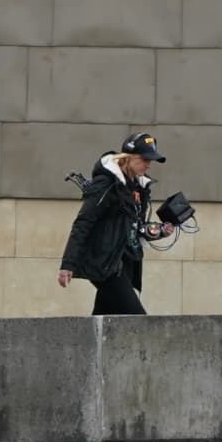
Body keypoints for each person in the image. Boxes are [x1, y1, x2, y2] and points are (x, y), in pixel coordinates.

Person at [57, 132, 175, 316]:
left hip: (127, 261)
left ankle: (88, 345)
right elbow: (83, 222)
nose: (148, 164)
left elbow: (134, 226)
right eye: (144, 159)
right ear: (129, 157)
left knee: (104, 317)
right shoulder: (107, 184)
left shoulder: (138, 187)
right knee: (137, 318)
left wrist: (159, 231)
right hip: (107, 263)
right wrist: (67, 264)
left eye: (150, 160)